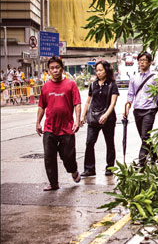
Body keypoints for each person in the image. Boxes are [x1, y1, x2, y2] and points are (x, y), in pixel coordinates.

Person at [36, 56, 82, 191]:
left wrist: (77, 120)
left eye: (57, 68)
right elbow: (41, 106)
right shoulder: (46, 87)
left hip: (67, 128)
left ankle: (73, 170)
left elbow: (77, 104)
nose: (55, 70)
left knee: (68, 156)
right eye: (52, 68)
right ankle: (54, 183)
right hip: (50, 128)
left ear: (62, 68)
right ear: (48, 71)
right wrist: (38, 122)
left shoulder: (70, 85)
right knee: (49, 157)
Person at [124, 52, 158, 167]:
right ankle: (154, 154)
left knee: (145, 136)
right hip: (137, 109)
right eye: (140, 60)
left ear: (150, 62)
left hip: (150, 109)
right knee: (144, 137)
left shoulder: (155, 77)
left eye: (144, 60)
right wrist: (127, 107)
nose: (142, 62)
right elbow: (130, 94)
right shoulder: (134, 78)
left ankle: (141, 162)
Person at [80, 60, 119, 176]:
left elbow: (113, 103)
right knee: (89, 142)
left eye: (101, 70)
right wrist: (83, 115)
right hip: (93, 118)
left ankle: (110, 167)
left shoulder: (112, 85)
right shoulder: (93, 85)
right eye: (97, 70)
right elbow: (88, 102)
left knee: (109, 143)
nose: (98, 72)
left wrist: (106, 115)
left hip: (108, 118)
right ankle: (89, 169)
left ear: (106, 70)